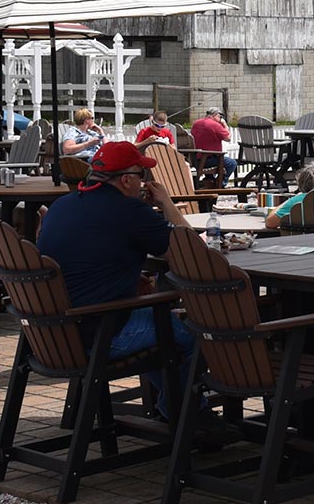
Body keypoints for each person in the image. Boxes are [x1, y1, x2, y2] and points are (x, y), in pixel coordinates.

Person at [37, 140, 196, 418]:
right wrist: (165, 203)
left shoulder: (62, 205)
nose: (144, 183)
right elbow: (191, 254)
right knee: (193, 335)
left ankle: (182, 412)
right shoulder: (131, 212)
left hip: (52, 333)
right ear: (125, 180)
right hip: (101, 332)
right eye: (142, 176)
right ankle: (188, 416)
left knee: (156, 326)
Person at [264, 161, 314, 231]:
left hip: (301, 241)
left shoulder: (297, 200)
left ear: (301, 183)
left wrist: (289, 200)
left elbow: (270, 223)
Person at [188, 107, 236, 176]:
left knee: (215, 158)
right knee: (232, 163)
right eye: (220, 116)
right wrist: (225, 125)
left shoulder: (196, 123)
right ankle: (221, 183)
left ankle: (209, 180)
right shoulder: (215, 125)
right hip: (208, 159)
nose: (220, 119)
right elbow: (228, 138)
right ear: (215, 115)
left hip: (195, 159)